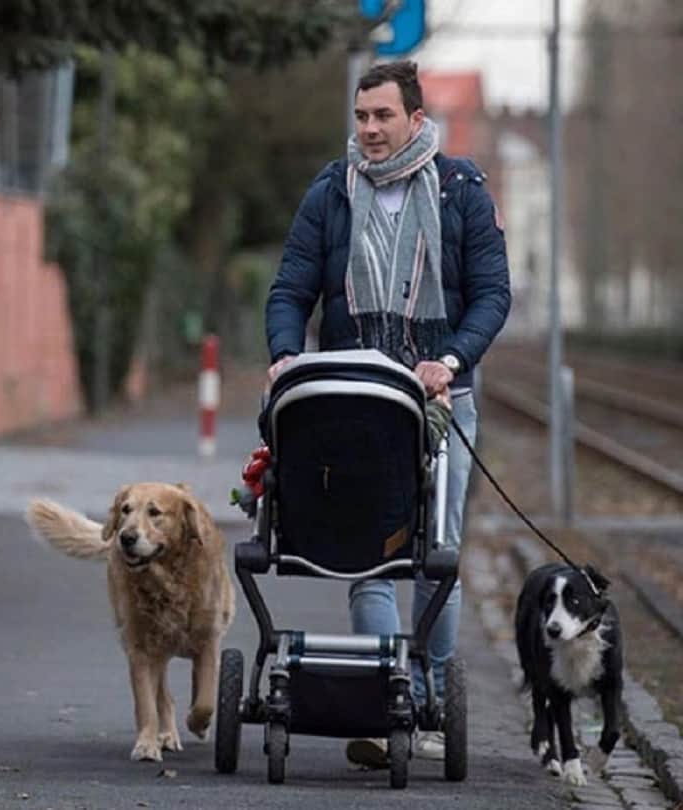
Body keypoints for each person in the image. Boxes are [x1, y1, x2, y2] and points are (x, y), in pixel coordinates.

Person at [263, 60, 511, 767]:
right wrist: (285, 353)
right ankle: (381, 704)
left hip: (441, 400)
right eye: (362, 117)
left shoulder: (461, 191)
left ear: (415, 120)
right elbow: (289, 289)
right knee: (370, 551)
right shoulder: (330, 193)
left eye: (383, 117)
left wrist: (453, 360)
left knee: (435, 549)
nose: (369, 130)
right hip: (358, 400)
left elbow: (493, 293)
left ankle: (431, 700)